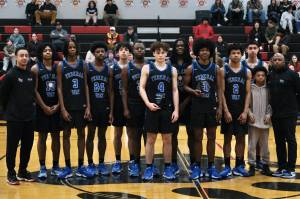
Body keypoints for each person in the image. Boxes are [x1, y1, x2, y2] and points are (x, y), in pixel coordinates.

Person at [140, 41, 179, 181]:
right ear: (154, 54)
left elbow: (175, 90)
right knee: (150, 139)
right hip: (152, 108)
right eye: (158, 52)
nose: (161, 55)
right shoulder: (147, 68)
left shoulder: (172, 70)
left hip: (167, 109)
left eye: (163, 52)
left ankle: (168, 167)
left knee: (167, 139)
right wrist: (148, 103)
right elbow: (141, 88)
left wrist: (176, 110)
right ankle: (149, 167)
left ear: (167, 54)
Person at [184, 39, 222, 180]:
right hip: (197, 106)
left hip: (211, 106)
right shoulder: (191, 68)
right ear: (197, 52)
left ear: (210, 52)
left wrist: (220, 108)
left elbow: (219, 89)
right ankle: (197, 166)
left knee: (212, 137)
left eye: (207, 50)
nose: (204, 52)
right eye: (202, 50)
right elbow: (185, 86)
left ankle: (211, 166)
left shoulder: (216, 68)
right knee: (197, 138)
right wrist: (193, 91)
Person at [56, 40, 93, 179]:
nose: (72, 49)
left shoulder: (83, 64)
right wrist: (63, 108)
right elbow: (59, 88)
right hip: (68, 106)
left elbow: (86, 86)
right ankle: (67, 167)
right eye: (69, 47)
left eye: (74, 47)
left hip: (81, 105)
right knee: (65, 135)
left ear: (77, 49)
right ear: (66, 49)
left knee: (81, 135)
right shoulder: (61, 65)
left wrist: (88, 106)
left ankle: (80, 166)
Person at [0, 47, 35, 185]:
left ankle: (22, 171)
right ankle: (11, 173)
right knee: (12, 146)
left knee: (27, 145)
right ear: (16, 57)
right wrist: (9, 111)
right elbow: (3, 96)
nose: (24, 58)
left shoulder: (31, 74)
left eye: (26, 55)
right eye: (21, 55)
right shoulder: (10, 75)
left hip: (29, 117)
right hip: (14, 118)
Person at [219, 44, 252, 178]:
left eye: (238, 53)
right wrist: (225, 111)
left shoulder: (247, 72)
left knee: (241, 138)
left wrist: (245, 112)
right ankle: (227, 166)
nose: (236, 55)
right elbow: (221, 92)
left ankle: (239, 165)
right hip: (229, 109)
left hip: (241, 110)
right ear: (229, 55)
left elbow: (248, 93)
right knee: (227, 138)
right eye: (233, 53)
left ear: (242, 55)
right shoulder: (223, 70)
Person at [31, 43, 61, 179]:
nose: (48, 52)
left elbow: (62, 88)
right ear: (41, 53)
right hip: (42, 108)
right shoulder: (35, 68)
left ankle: (55, 166)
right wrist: (43, 107)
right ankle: (42, 166)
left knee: (56, 137)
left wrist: (59, 105)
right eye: (45, 50)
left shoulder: (58, 67)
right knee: (42, 137)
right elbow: (34, 90)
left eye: (50, 50)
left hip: (56, 107)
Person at [268, 53, 300, 178]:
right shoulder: (271, 75)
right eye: (274, 59)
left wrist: (296, 109)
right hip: (276, 114)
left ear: (284, 61)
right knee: (279, 141)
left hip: (289, 113)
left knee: (290, 140)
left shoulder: (292, 75)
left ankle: (291, 169)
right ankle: (281, 167)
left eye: (279, 59)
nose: (277, 61)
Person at [85, 42, 113, 177]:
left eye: (103, 51)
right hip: (92, 107)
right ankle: (90, 163)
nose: (101, 53)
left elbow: (111, 91)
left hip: (104, 107)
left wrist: (111, 111)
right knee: (90, 135)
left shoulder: (108, 69)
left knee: (102, 136)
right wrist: (88, 108)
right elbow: (85, 89)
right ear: (93, 53)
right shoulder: (88, 67)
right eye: (98, 52)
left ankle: (101, 163)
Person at [121, 41, 147, 177]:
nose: (140, 50)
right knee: (133, 135)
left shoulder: (150, 67)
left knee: (148, 136)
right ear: (133, 51)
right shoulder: (126, 68)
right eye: (137, 48)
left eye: (142, 49)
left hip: (147, 105)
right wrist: (125, 108)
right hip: (133, 104)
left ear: (145, 51)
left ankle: (149, 163)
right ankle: (134, 162)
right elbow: (124, 90)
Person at [169, 38, 192, 175]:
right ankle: (173, 163)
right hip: (173, 102)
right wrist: (177, 106)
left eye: (182, 45)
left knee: (192, 133)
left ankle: (194, 162)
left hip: (188, 102)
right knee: (173, 134)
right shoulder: (169, 64)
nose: (179, 47)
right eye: (177, 45)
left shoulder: (191, 64)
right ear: (174, 47)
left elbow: (194, 86)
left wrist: (184, 103)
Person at [247, 67, 272, 177]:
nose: (261, 77)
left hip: (265, 122)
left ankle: (266, 165)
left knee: (265, 146)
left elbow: (271, 104)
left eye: (263, 75)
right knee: (252, 145)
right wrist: (249, 113)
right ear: (254, 77)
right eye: (258, 75)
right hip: (253, 121)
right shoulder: (250, 88)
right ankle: (251, 166)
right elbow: (247, 104)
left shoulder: (269, 89)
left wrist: (269, 114)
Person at [111, 42, 131, 174]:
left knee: (131, 134)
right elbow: (111, 90)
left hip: (131, 104)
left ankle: (132, 161)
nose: (123, 51)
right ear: (117, 53)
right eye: (121, 50)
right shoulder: (112, 68)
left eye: (126, 49)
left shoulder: (133, 67)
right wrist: (111, 110)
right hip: (118, 104)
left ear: (129, 53)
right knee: (117, 134)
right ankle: (117, 161)